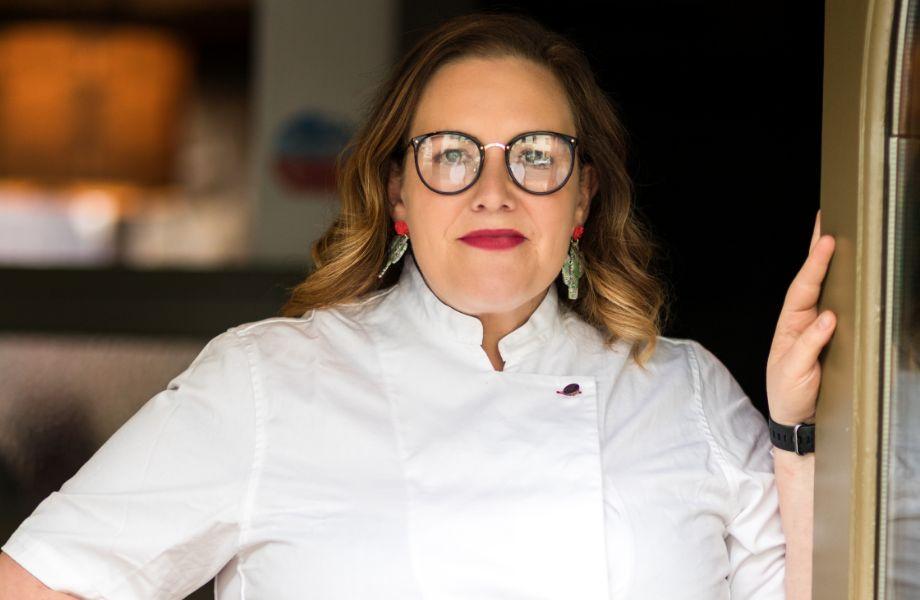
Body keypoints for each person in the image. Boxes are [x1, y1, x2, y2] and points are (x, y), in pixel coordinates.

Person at [0, 12, 832, 600]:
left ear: (582, 196)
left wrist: (798, 430)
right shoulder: (268, 384)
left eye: (536, 155)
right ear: (399, 192)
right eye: (451, 155)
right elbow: (37, 583)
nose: (494, 191)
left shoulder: (686, 392)